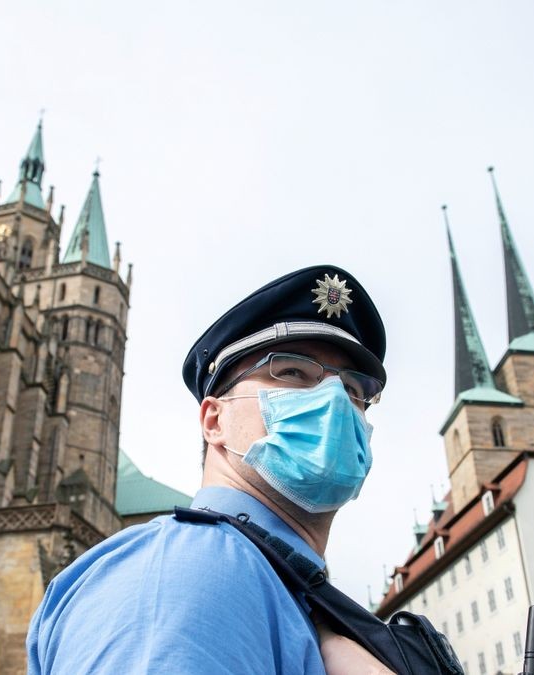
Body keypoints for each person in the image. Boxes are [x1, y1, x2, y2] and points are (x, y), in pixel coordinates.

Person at [27, 265, 394, 674]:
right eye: (293, 372)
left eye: (352, 391)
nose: (334, 402)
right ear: (214, 421)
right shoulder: (191, 575)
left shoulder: (279, 586)